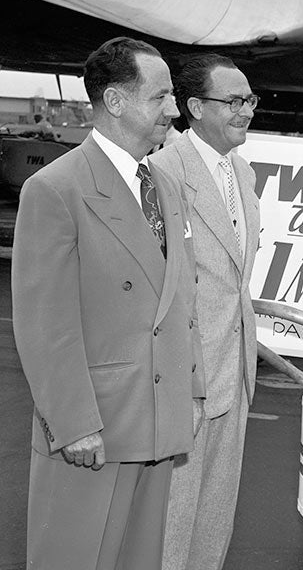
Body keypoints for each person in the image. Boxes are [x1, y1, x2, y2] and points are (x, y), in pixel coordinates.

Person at [12, 37, 205, 570]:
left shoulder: (164, 184)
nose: (173, 109)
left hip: (157, 417)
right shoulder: (55, 189)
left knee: (135, 560)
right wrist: (73, 423)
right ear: (116, 101)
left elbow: (178, 299)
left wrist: (189, 389)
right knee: (73, 557)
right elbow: (45, 323)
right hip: (95, 423)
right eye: (161, 96)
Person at [151, 54, 260, 570]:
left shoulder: (242, 172)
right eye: (232, 101)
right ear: (194, 107)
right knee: (171, 522)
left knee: (215, 519)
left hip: (234, 374)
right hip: (185, 377)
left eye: (249, 100)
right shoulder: (163, 172)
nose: (245, 111)